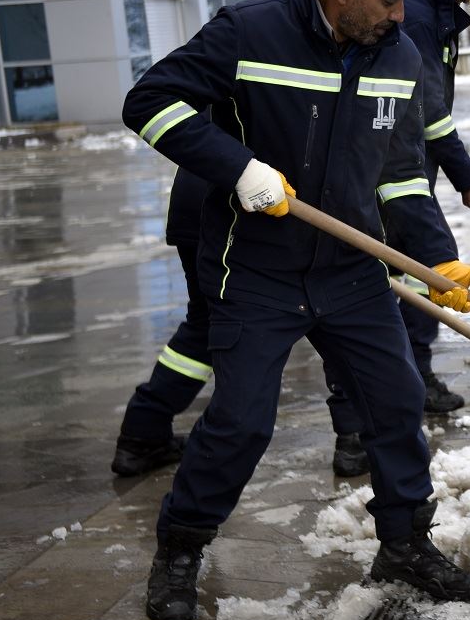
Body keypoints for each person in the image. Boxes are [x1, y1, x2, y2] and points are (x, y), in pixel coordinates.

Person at [122, 0, 470, 620]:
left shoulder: (399, 56)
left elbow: (402, 171)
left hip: (350, 268)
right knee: (241, 421)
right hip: (257, 269)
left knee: (396, 400)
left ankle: (405, 539)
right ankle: (179, 547)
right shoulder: (251, 34)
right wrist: (240, 166)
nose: (399, 13)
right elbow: (149, 102)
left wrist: (436, 256)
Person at [111, 167, 371, 479]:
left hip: (200, 199)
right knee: (334, 311)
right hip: (249, 214)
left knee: (205, 322)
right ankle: (354, 438)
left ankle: (144, 430)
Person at [394, 0, 470, 414]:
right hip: (399, 163)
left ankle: (415, 372)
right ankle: (408, 380)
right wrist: (468, 180)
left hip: (417, 161)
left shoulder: (433, 11)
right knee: (432, 263)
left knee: (420, 271)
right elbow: (430, 107)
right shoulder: (412, 16)